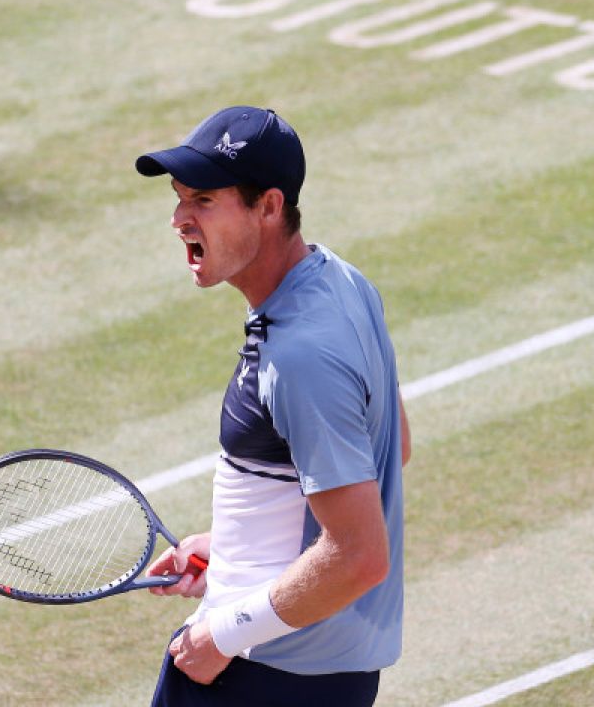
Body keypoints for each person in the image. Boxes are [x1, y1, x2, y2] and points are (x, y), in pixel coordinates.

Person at [134, 105, 411, 706]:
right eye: (180, 198)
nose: (179, 219)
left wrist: (222, 637)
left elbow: (359, 556)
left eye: (203, 200)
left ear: (269, 205)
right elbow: (391, 445)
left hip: (266, 673)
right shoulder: (343, 282)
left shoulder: (301, 355)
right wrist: (238, 547)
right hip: (316, 669)